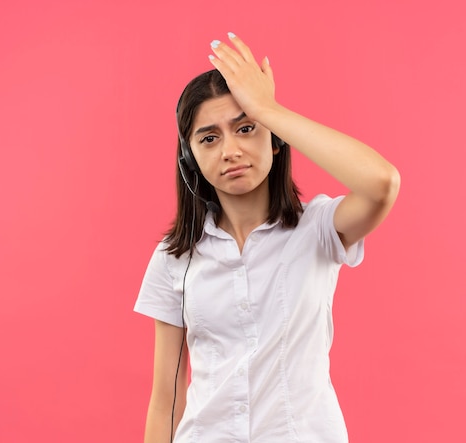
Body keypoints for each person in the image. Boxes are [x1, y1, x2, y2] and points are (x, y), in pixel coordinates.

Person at [135, 32, 400, 443]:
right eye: (209, 138)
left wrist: (267, 109)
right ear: (189, 157)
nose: (230, 150)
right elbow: (165, 397)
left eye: (245, 129)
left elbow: (381, 182)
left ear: (275, 140)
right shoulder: (174, 259)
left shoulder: (319, 229)